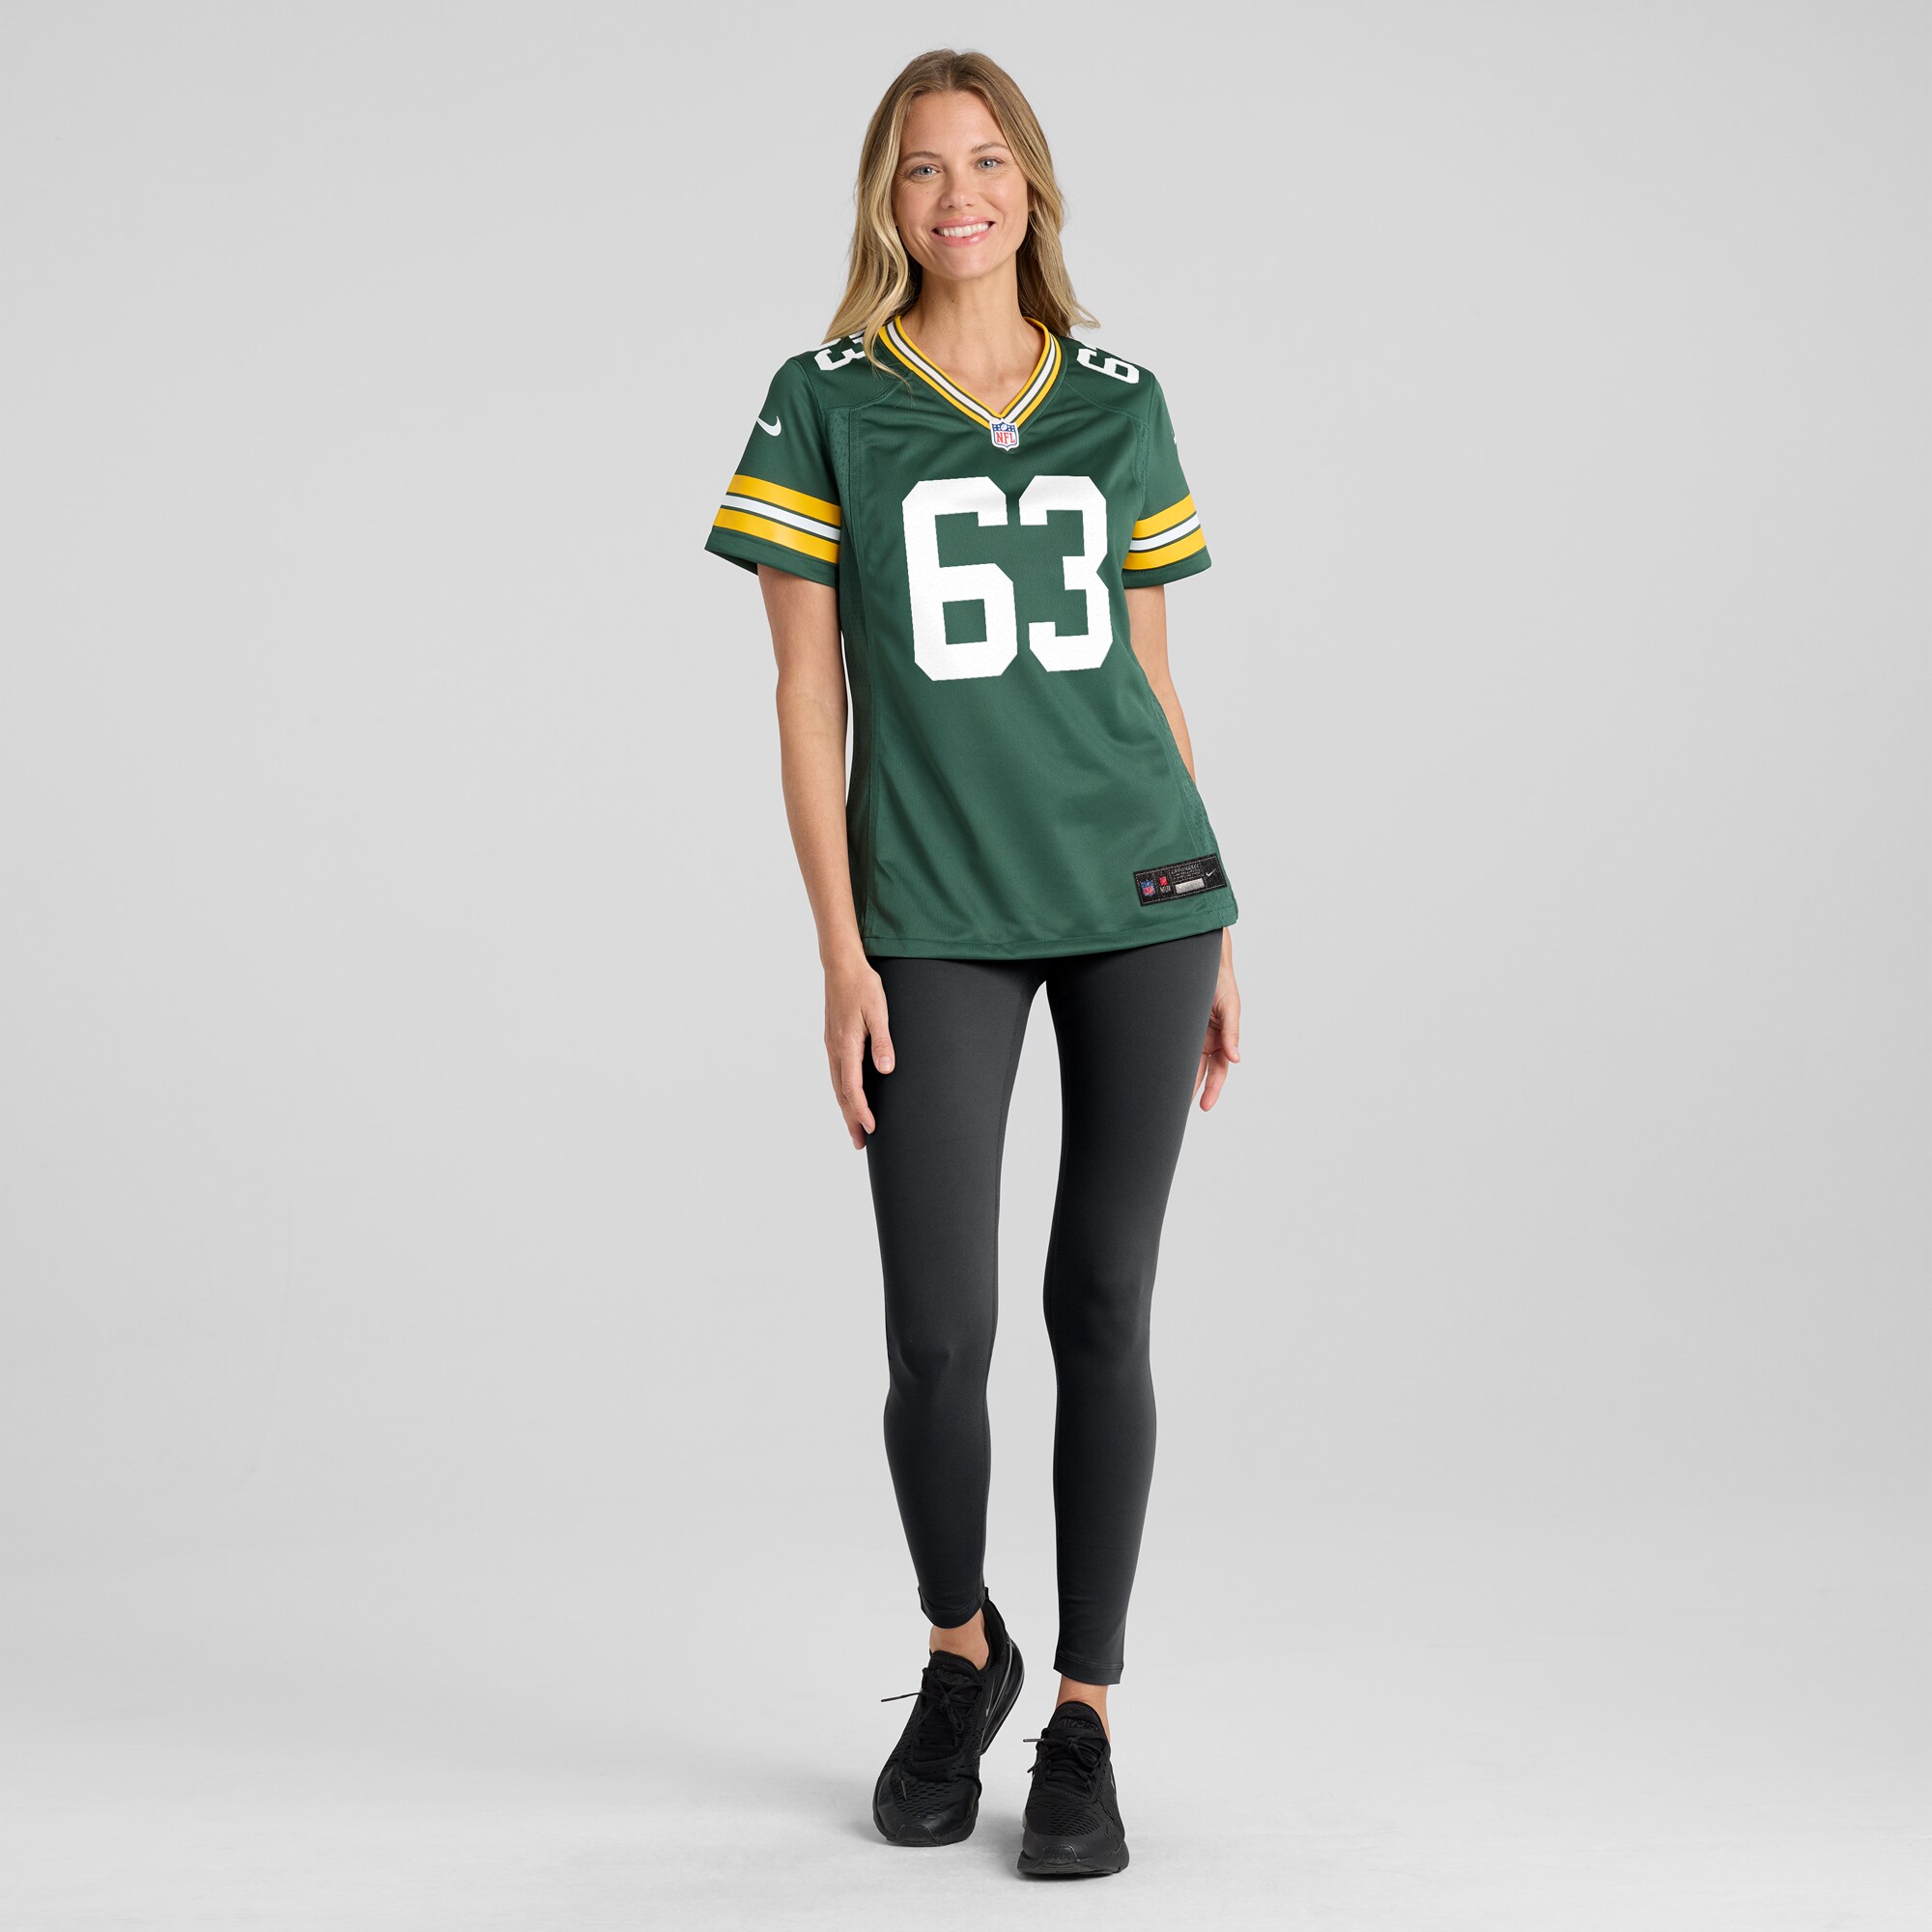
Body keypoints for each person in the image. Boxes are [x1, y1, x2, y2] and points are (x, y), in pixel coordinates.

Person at [703, 47, 1243, 1879]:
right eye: (925, 167)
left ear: (1034, 187)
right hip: (932, 908)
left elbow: (1150, 672)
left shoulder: (1120, 397)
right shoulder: (825, 401)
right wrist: (837, 948)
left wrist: (1217, 902)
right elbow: (806, 693)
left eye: (989, 160)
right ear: (888, 198)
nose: (961, 195)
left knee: (1105, 1305)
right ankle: (963, 1652)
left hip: (1142, 894)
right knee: (938, 1333)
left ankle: (1086, 1713)